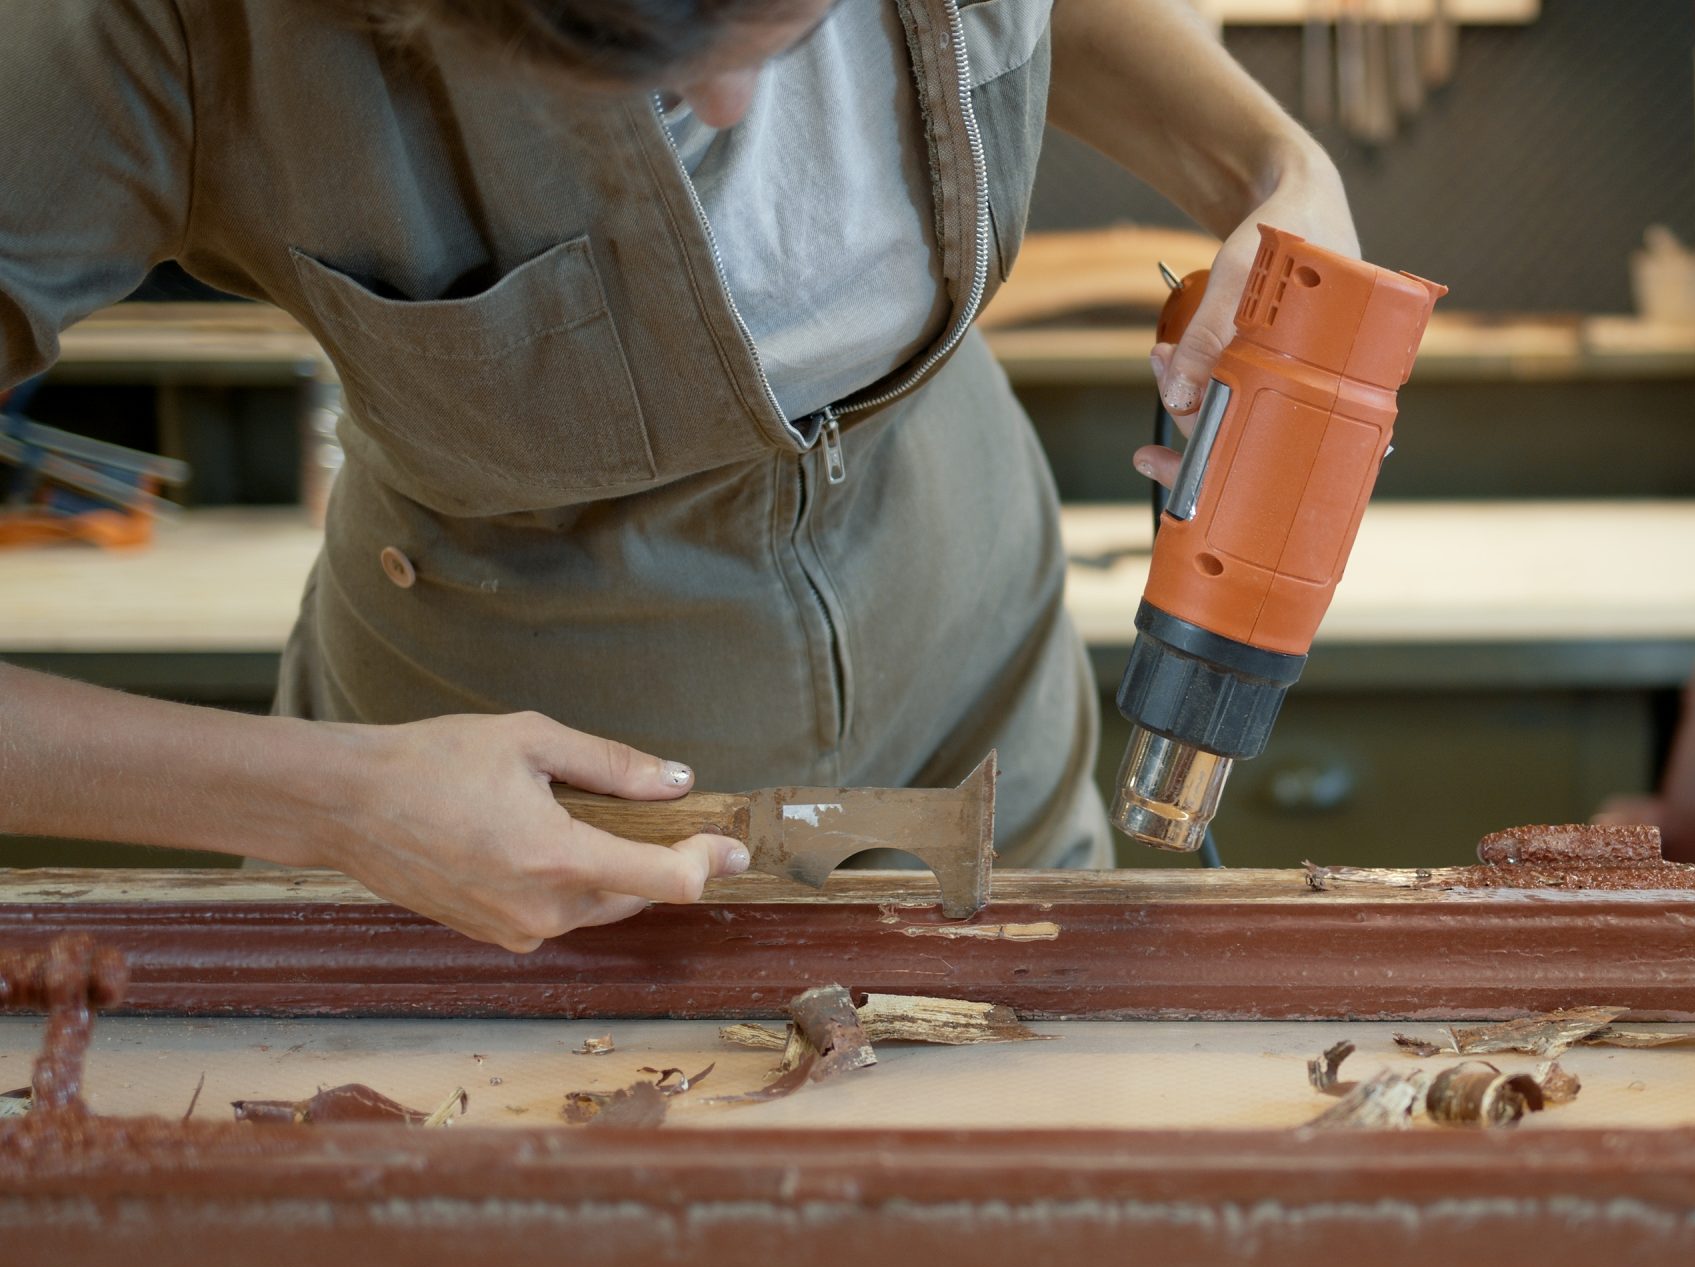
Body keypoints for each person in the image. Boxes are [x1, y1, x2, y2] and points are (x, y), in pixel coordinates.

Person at [0, 0, 1359, 950]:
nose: (729, 105)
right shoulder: (157, 28)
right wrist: (333, 804)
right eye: (611, 45)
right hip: (515, 869)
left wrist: (1275, 167)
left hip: (987, 712)